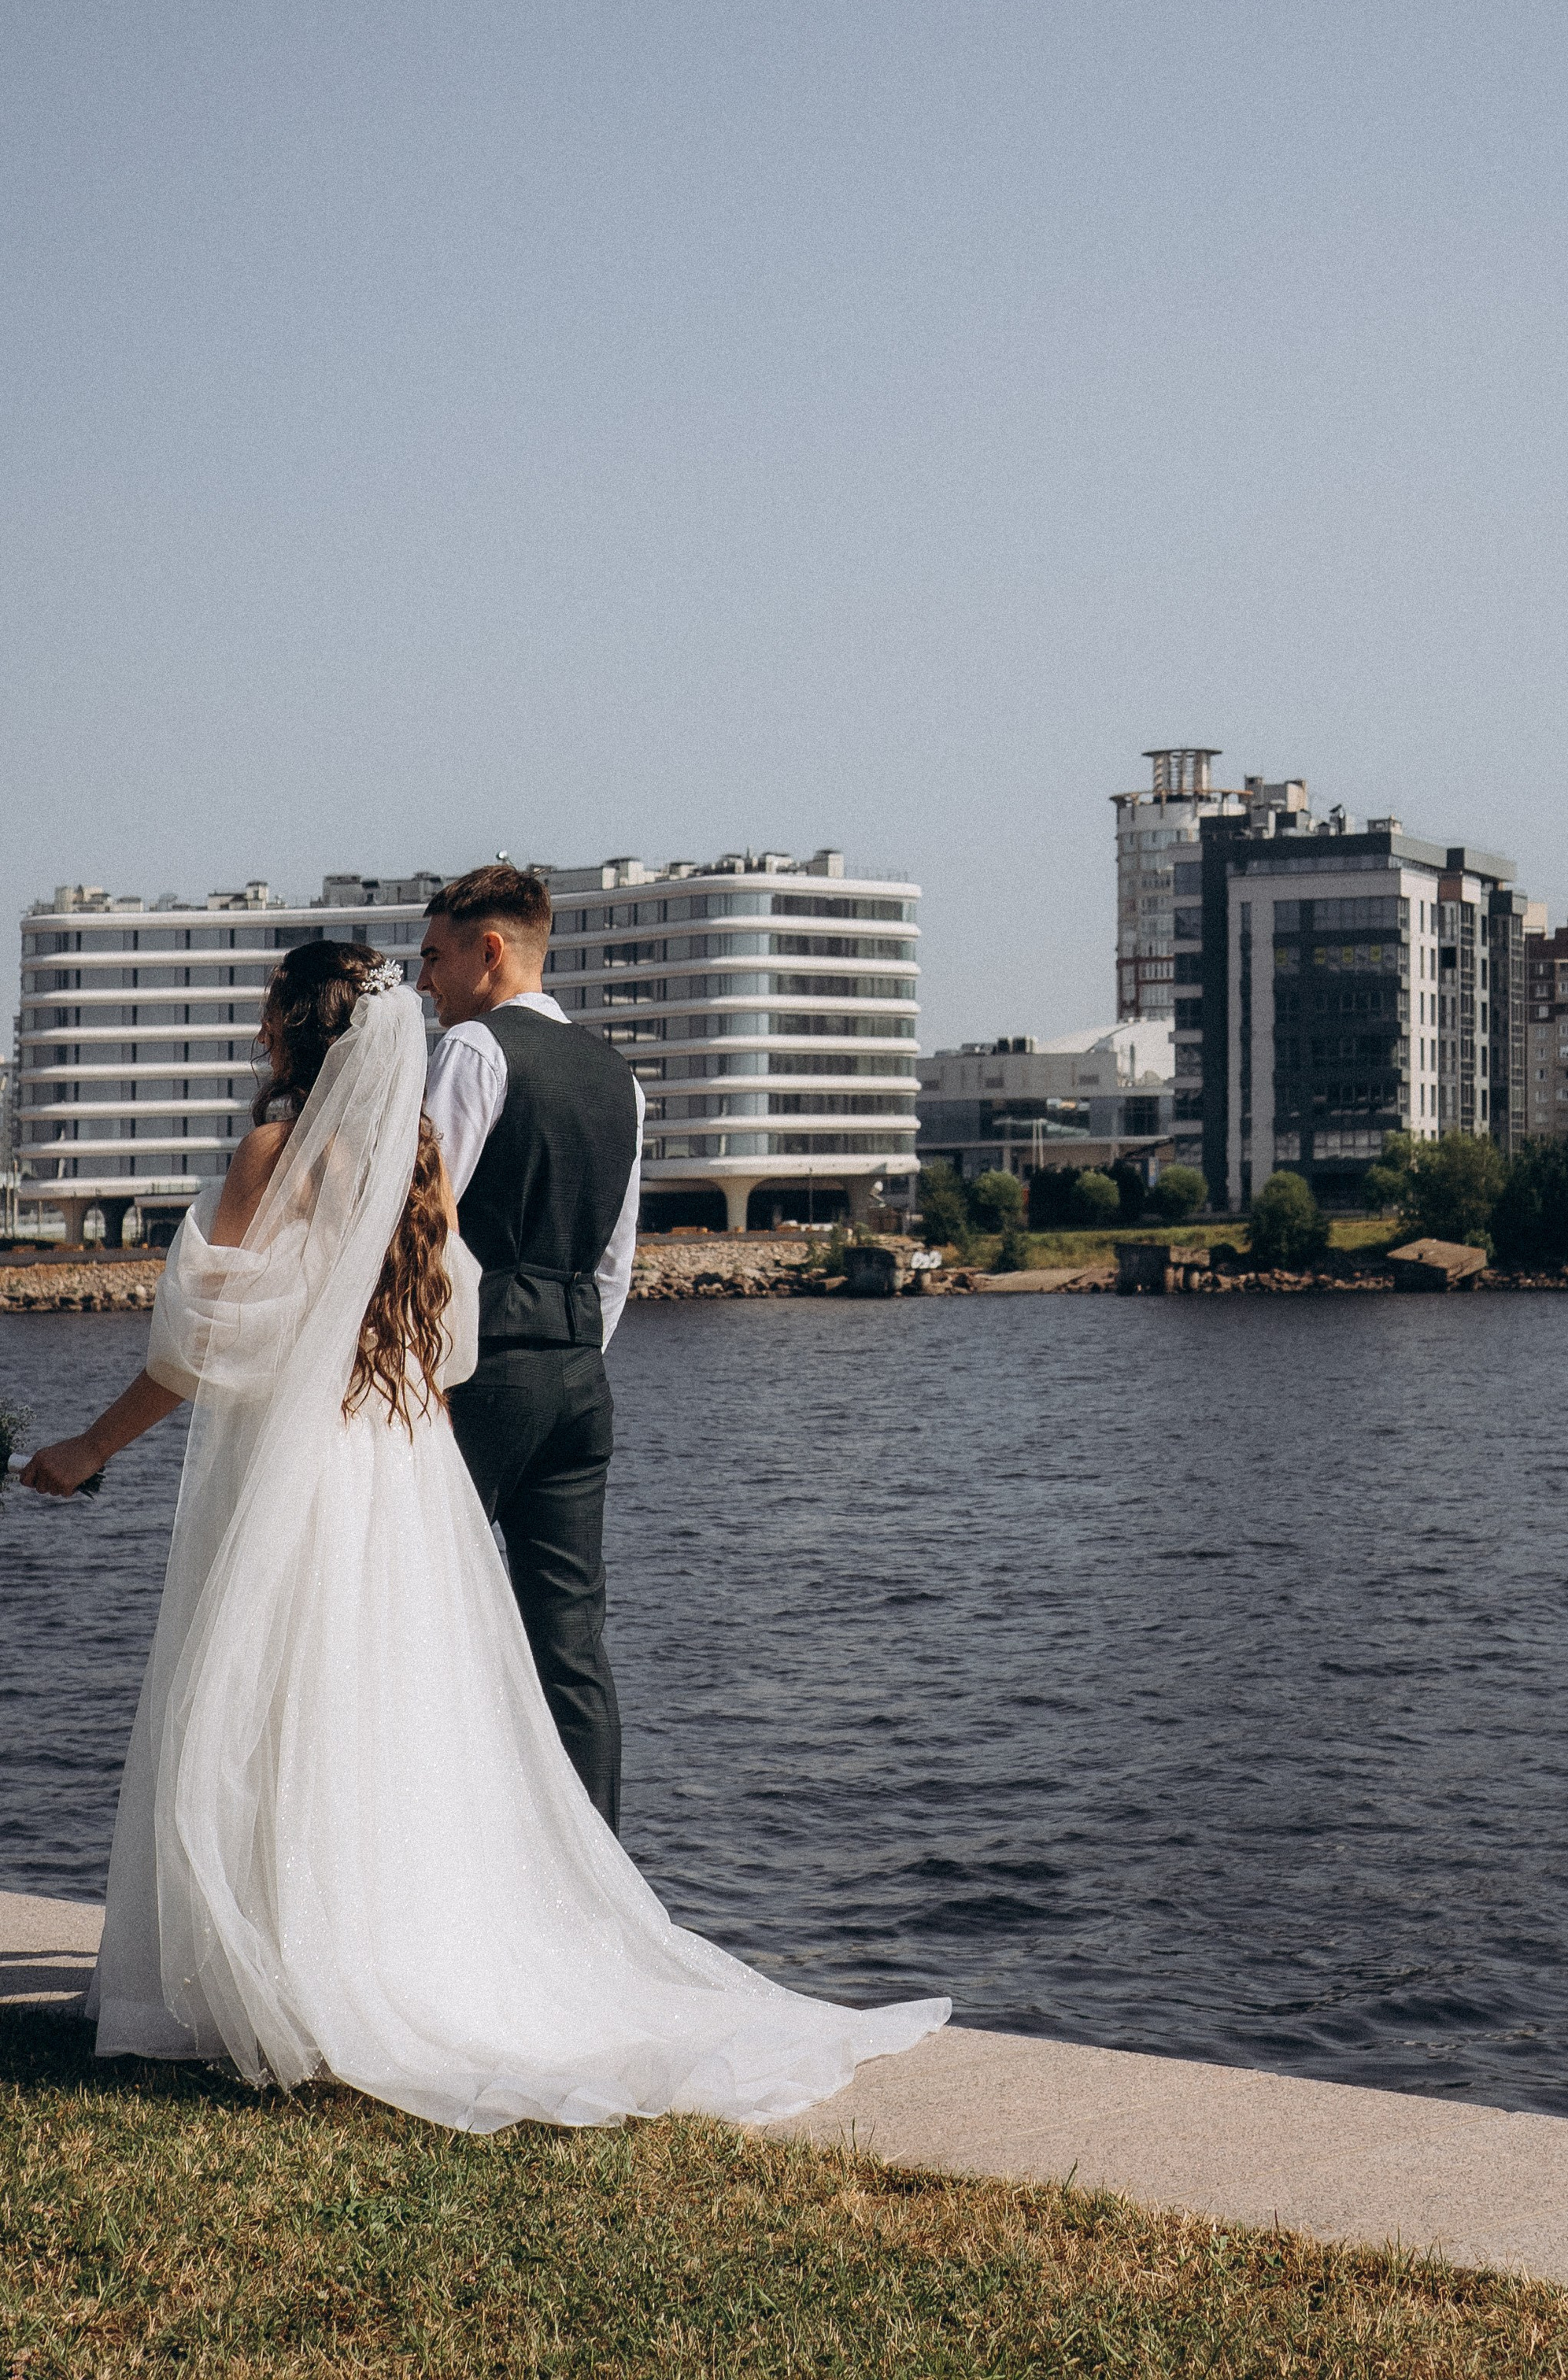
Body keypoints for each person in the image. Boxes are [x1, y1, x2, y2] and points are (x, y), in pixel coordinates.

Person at [22, 941, 948, 2131]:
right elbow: (446, 1340)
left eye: (266, 1012)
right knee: (385, 1715)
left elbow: (201, 1346)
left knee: (267, 1703)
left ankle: (286, 1969)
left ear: (291, 1028)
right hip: (398, 1466)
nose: (257, 1030)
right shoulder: (412, 1164)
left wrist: (88, 1447)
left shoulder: (273, 1154)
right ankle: (376, 1954)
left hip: (300, 1469)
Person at [418, 863, 639, 1830]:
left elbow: (420, 1224)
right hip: (580, 1374)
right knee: (571, 1641)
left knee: (426, 1609)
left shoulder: (474, 1048)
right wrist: (571, 1348)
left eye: (434, 957)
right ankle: (599, 1870)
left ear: (490, 950)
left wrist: (421, 1370)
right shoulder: (617, 1074)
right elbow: (617, 1260)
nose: (424, 981)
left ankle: (441, 1848)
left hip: (482, 1370)